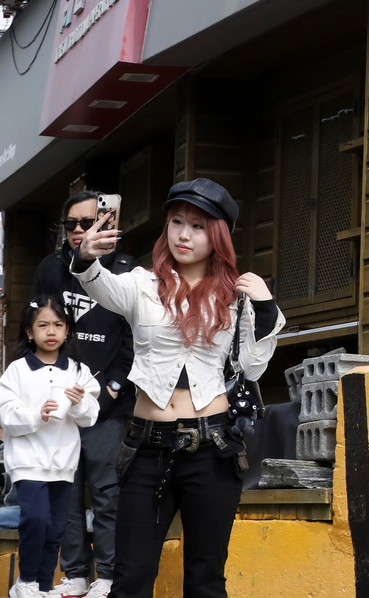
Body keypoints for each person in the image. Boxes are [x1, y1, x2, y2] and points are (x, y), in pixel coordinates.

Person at [70, 178, 284, 598]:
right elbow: (97, 283)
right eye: (177, 222)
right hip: (147, 447)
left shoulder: (234, 296)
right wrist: (85, 257)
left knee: (205, 580)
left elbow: (254, 368)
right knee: (130, 578)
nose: (184, 234)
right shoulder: (141, 285)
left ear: (218, 235)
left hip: (213, 447)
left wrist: (265, 305)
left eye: (199, 226)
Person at [32, 191, 135, 598]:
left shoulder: (128, 271)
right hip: (59, 404)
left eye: (86, 222)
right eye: (71, 224)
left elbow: (134, 340)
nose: (78, 231)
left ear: (106, 223)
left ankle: (107, 576)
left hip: (107, 406)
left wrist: (110, 390)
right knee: (66, 491)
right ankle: (75, 573)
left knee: (107, 491)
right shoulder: (50, 268)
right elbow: (36, 327)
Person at [0, 295, 101, 598]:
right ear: (30, 332)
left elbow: (89, 418)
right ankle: (26, 582)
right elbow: (6, 414)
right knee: (36, 518)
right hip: (27, 460)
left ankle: (42, 587)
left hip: (63, 462)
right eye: (42, 325)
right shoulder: (17, 370)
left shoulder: (79, 371)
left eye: (58, 324)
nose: (51, 331)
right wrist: (37, 414)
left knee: (56, 528)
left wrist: (80, 401)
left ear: (67, 329)